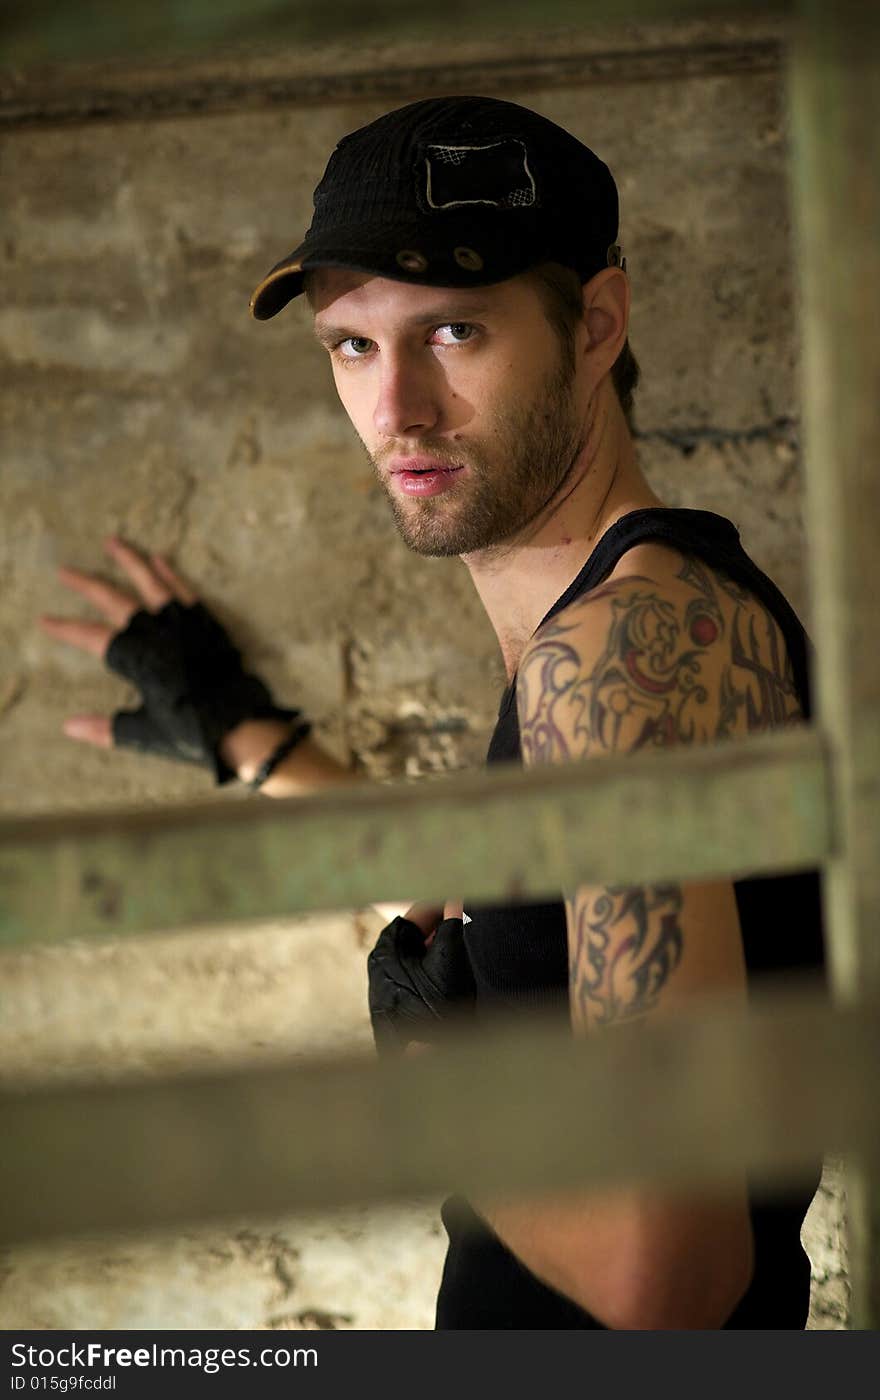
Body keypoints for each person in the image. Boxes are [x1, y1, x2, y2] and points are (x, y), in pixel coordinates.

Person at [38, 96, 825, 1329]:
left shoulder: (617, 650)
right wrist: (255, 741)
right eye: (351, 344)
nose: (395, 406)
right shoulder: (622, 627)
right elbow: (505, 882)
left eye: (452, 328)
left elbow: (663, 1277)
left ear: (596, 325)